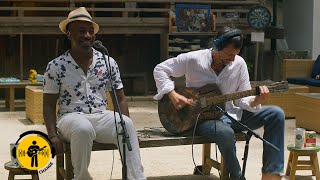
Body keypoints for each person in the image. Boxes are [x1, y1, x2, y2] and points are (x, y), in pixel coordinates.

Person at [153, 26, 284, 180]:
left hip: (233, 115)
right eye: (228, 54)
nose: (232, 59)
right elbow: (160, 69)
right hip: (202, 119)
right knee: (225, 133)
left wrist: (256, 100)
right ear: (216, 47)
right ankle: (237, 177)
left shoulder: (239, 64)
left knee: (276, 114)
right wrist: (172, 94)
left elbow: (242, 99)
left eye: (236, 54)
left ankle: (271, 174)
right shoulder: (194, 59)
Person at [43, 7, 145, 180]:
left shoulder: (107, 61)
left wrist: (126, 125)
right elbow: (48, 104)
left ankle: (136, 178)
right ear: (69, 34)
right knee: (83, 128)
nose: (87, 35)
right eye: (81, 31)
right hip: (70, 119)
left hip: (100, 116)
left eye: (91, 31)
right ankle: (81, 177)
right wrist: (52, 135)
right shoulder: (56, 66)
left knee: (127, 125)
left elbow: (120, 98)